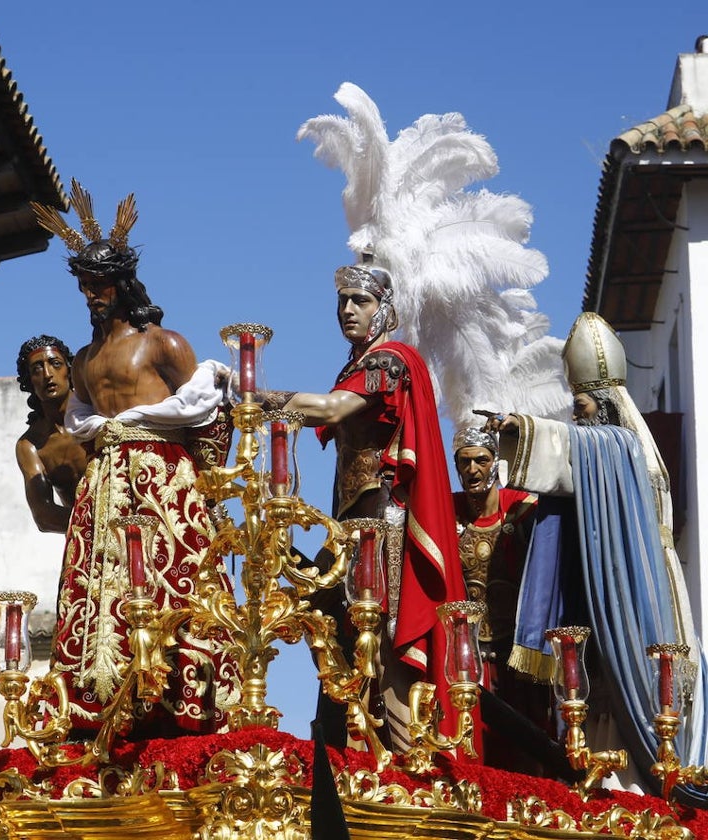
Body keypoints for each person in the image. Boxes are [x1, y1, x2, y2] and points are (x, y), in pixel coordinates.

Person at [31, 181, 237, 737]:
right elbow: (75, 420)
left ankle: (181, 695)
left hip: (162, 481)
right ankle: (95, 701)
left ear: (122, 285)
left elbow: (206, 409)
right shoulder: (82, 360)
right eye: (84, 286)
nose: (92, 296)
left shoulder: (163, 343)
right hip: (103, 485)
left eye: (99, 285)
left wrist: (212, 492)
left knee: (173, 590)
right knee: (100, 593)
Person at [482, 312, 707, 797]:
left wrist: (518, 428)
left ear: (603, 405)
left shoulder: (624, 448)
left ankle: (639, 789)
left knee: (642, 701)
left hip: (638, 589)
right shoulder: (616, 449)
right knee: (605, 705)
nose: (577, 416)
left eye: (581, 406)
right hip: (617, 582)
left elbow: (573, 453)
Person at [268, 252, 467, 752]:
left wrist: (253, 395)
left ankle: (404, 759)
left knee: (386, 639)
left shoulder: (390, 360)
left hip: (382, 520)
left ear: (386, 308)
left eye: (361, 300)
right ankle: (356, 751)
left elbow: (332, 409)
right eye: (342, 302)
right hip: (350, 522)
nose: (348, 310)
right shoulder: (356, 366)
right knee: (347, 639)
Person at [450, 426, 552, 773]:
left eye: (481, 460)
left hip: (518, 656)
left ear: (496, 464)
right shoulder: (446, 512)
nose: (472, 470)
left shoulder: (522, 510)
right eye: (464, 462)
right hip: (468, 655)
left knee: (528, 748)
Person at [14, 335, 88, 533]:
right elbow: (43, 516)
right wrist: (97, 523)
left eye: (55, 364)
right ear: (29, 382)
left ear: (69, 371)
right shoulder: (30, 445)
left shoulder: (98, 414)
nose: (47, 374)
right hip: (83, 546)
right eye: (37, 368)